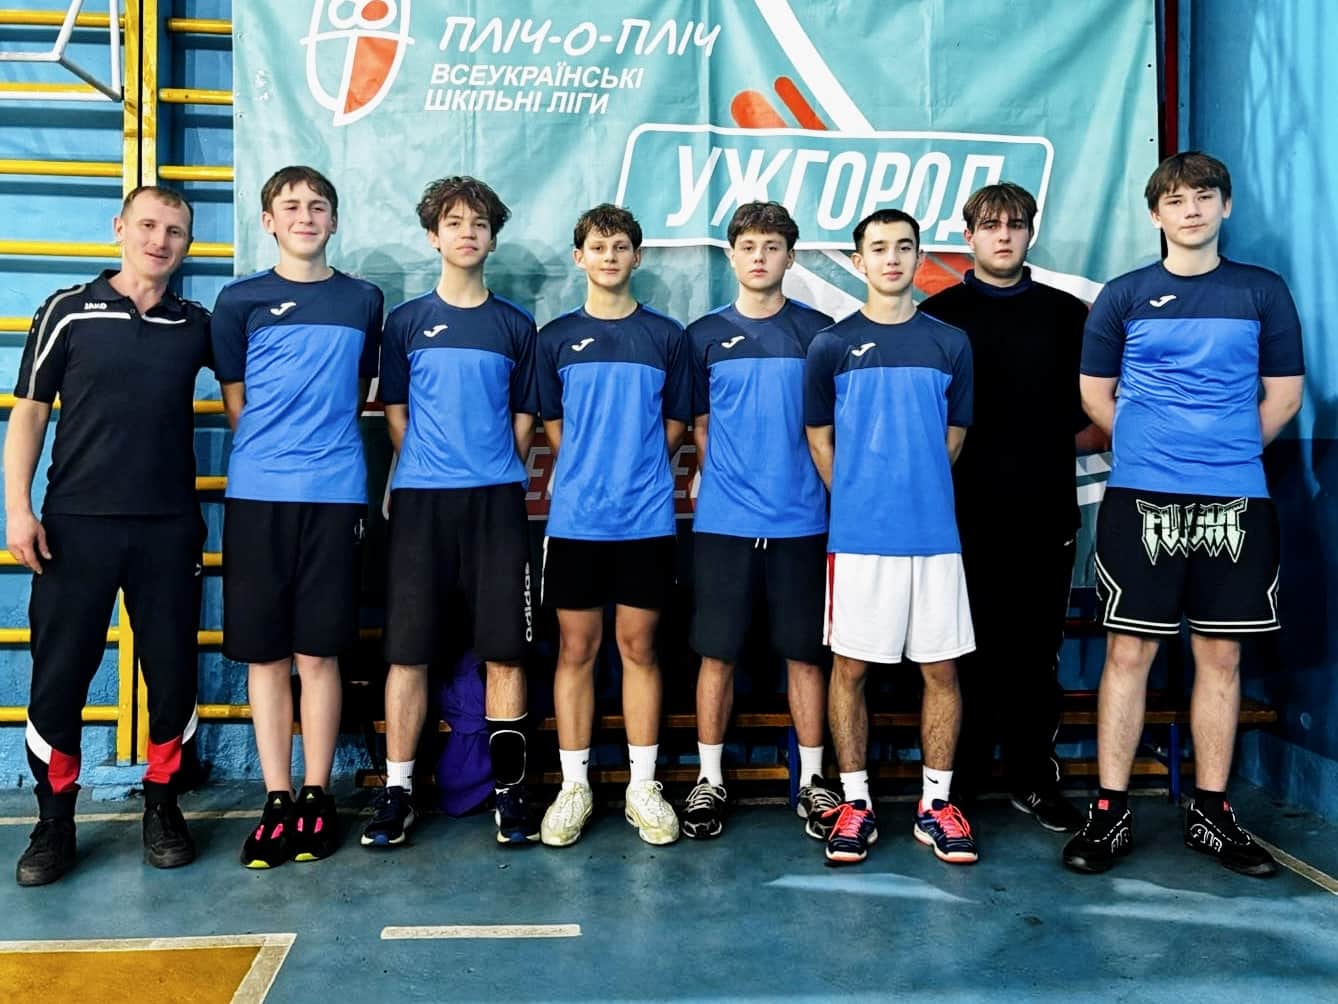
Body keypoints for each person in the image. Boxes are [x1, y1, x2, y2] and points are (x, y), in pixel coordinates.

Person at [1065, 151, 1304, 876]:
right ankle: (1110, 811)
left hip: (1237, 498)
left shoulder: (1261, 291)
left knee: (1220, 655)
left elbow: (1284, 395)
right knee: (1128, 653)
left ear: (1225, 206)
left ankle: (1211, 811)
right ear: (1155, 214)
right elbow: (1095, 394)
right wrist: (1154, 450)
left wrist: (1223, 452)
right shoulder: (1125, 295)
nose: (1191, 209)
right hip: (1141, 497)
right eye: (1175, 200)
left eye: (1204, 196)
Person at [6, 186, 211, 885]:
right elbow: (30, 412)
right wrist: (18, 510)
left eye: (175, 231)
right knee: (60, 674)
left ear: (187, 245)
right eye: (148, 225)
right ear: (119, 228)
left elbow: (256, 391)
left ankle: (163, 804)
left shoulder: (196, 324)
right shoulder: (67, 310)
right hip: (75, 526)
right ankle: (54, 820)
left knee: (172, 672)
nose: (160, 240)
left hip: (169, 528)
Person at [212, 166, 383, 868]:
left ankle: (317, 794)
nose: (305, 216)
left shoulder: (363, 299)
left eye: (318, 206)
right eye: (291, 206)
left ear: (334, 221)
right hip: (258, 495)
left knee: (319, 653)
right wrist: (275, 453)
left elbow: (363, 387)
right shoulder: (239, 300)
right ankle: (277, 797)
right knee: (268, 654)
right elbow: (236, 400)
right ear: (269, 221)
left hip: (335, 493)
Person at [362, 177, 539, 850]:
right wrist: (432, 470)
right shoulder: (406, 323)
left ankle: (509, 794)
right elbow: (396, 413)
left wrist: (488, 467)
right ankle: (398, 792)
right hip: (421, 505)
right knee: (407, 654)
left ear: (492, 239)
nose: (468, 232)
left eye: (479, 224)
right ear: (433, 236)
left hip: (496, 504)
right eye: (454, 222)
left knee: (506, 653)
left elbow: (523, 419)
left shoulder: (515, 325)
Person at [804, 208, 978, 867]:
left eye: (904, 247)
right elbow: (820, 438)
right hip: (859, 541)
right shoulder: (831, 345)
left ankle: (936, 806)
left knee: (942, 670)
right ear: (859, 261)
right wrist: (857, 497)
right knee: (850, 670)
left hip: (934, 538)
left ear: (919, 257)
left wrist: (915, 490)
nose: (893, 258)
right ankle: (856, 803)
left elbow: (953, 440)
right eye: (878, 248)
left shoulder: (950, 343)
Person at [918, 183, 1088, 832]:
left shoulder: (1066, 315)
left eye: (1016, 224)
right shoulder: (938, 317)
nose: (1004, 235)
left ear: (1030, 232)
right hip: (960, 516)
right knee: (962, 651)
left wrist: (1042, 445)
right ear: (968, 236)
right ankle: (955, 784)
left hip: (1044, 512)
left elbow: (1095, 409)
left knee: (1035, 656)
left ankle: (1033, 779)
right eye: (990, 225)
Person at [534, 204, 690, 847]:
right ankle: (574, 787)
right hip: (577, 521)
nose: (609, 256)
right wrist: (591, 473)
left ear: (637, 256)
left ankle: (642, 787)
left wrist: (635, 469)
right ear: (580, 258)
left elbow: (675, 425)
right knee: (576, 650)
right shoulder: (555, 338)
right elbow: (554, 427)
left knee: (639, 648)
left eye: (620, 246)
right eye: (597, 247)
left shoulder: (666, 336)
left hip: (646, 520)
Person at [682, 201, 837, 841]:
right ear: (731, 255)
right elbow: (700, 427)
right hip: (724, 524)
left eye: (772, 246)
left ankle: (813, 782)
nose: (759, 257)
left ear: (790, 257)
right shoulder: (702, 336)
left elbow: (830, 429)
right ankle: (708, 780)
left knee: (806, 656)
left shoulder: (820, 334)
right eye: (748, 246)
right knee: (717, 655)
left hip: (803, 521)